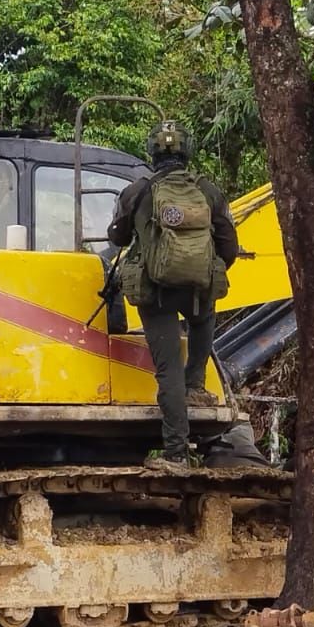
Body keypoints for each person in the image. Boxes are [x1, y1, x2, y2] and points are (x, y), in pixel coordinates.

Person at [107, 119, 241, 465]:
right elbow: (229, 247)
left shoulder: (137, 192)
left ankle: (176, 454)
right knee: (203, 319)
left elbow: (117, 237)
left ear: (152, 153)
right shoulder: (208, 191)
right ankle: (196, 383)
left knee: (168, 372)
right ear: (188, 152)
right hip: (198, 291)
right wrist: (200, 270)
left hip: (156, 294)